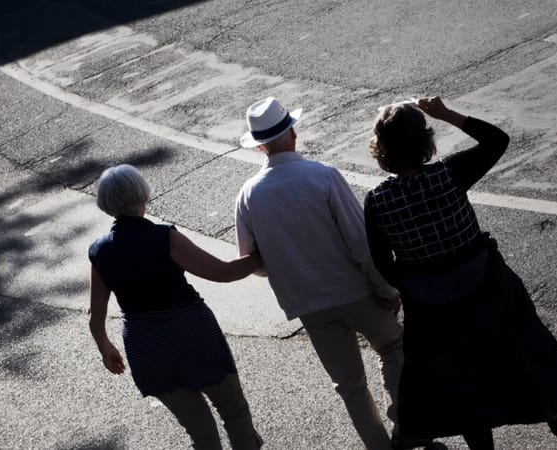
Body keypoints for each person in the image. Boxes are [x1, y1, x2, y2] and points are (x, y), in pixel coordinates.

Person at [364, 96, 557, 449]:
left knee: (462, 379)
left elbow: (382, 260)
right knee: (524, 345)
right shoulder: (448, 174)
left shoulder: (377, 201)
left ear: (382, 148)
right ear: (424, 141)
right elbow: (498, 140)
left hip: (430, 305)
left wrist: (412, 283)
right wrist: (446, 113)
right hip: (486, 285)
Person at [233, 97, 409, 450]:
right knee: (392, 349)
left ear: (260, 146)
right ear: (293, 133)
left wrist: (287, 265)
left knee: (350, 386)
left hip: (309, 304)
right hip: (356, 290)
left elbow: (252, 261)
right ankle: (407, 428)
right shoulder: (323, 175)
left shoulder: (248, 195)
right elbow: (360, 241)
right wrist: (386, 288)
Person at [87, 164, 264, 450]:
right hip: (193, 334)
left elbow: (96, 317)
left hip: (147, 349)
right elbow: (222, 272)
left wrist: (105, 346)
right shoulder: (163, 237)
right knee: (234, 412)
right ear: (143, 194)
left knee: (201, 433)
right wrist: (263, 255)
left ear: (106, 203)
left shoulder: (99, 251)